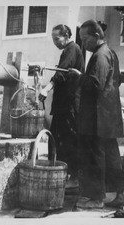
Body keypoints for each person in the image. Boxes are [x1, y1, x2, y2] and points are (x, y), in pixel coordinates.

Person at [69, 20, 124, 209]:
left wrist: (79, 76)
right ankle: (121, 195)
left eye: (85, 39)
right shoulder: (111, 53)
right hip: (109, 115)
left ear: (96, 36)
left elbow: (94, 85)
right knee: (112, 157)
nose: (83, 43)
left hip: (97, 117)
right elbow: (117, 81)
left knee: (95, 156)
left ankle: (96, 199)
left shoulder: (99, 56)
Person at [38, 24, 85, 187]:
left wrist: (47, 88)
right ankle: (61, 174)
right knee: (57, 139)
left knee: (68, 139)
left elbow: (62, 73)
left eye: (57, 39)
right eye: (53, 39)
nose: (55, 42)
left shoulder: (72, 48)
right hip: (63, 105)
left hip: (69, 105)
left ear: (66, 36)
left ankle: (73, 177)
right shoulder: (68, 50)